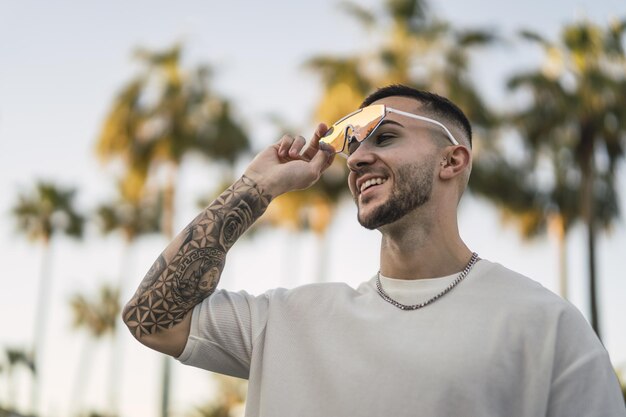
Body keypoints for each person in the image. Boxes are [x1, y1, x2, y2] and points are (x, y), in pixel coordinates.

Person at [123, 85, 625, 416]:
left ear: (452, 160)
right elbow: (150, 318)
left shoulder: (544, 325)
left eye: (385, 137)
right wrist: (255, 186)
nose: (359, 158)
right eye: (353, 147)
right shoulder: (286, 320)